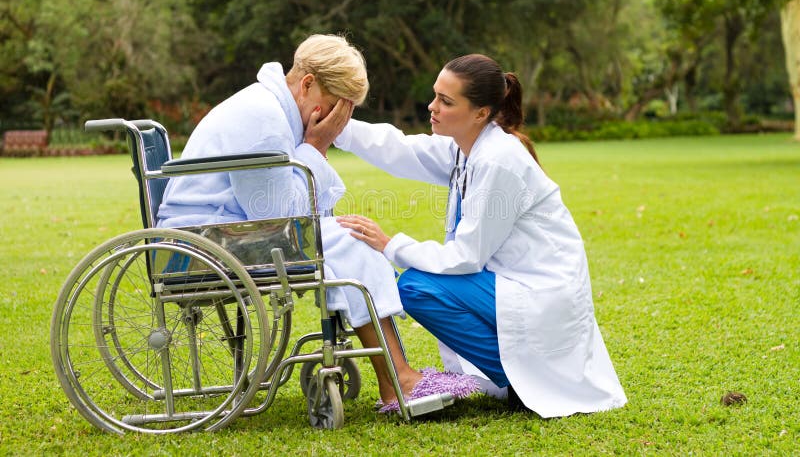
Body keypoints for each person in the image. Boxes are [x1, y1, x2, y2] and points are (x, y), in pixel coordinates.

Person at [157, 34, 476, 412]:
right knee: (353, 239)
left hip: (222, 229)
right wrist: (318, 147)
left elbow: (294, 207)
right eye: (330, 108)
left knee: (349, 234)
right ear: (307, 83)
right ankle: (399, 380)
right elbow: (278, 215)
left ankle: (398, 376)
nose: (330, 121)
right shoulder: (265, 117)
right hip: (202, 244)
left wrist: (314, 151)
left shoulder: (275, 107)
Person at [335, 54, 627, 417]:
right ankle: (516, 375)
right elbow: (402, 148)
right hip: (509, 282)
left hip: (541, 289)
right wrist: (338, 129)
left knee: (414, 287)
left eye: (446, 101)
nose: (432, 107)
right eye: (435, 95)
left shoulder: (498, 159)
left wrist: (390, 244)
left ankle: (522, 378)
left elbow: (466, 256)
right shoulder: (464, 146)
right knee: (416, 286)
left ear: (480, 113)